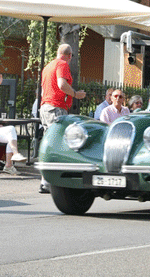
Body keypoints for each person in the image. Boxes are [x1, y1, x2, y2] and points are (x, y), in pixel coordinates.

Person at [38, 43, 86, 194]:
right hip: (56, 107)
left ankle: (45, 181)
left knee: (49, 142)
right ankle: (50, 182)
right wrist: (75, 94)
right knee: (57, 143)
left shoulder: (48, 66)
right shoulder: (62, 64)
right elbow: (61, 84)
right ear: (70, 56)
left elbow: (43, 89)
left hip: (45, 106)